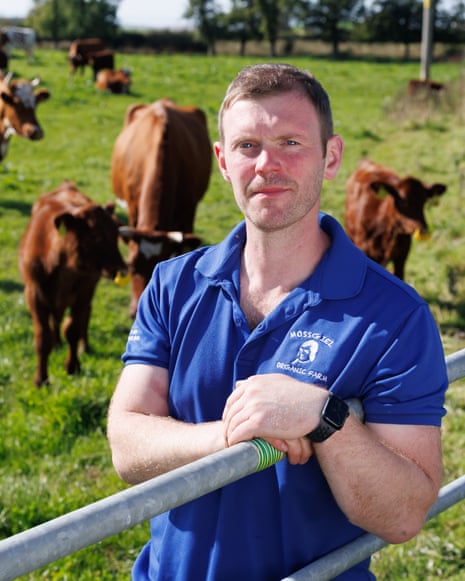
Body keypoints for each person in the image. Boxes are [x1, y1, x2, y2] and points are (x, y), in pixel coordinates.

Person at [107, 63, 448, 580]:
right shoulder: (174, 284)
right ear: (222, 162)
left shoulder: (395, 317)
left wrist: (323, 417)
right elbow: (127, 445)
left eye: (291, 142)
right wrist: (238, 435)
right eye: (247, 146)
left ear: (331, 157)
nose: (268, 164)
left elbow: (402, 514)